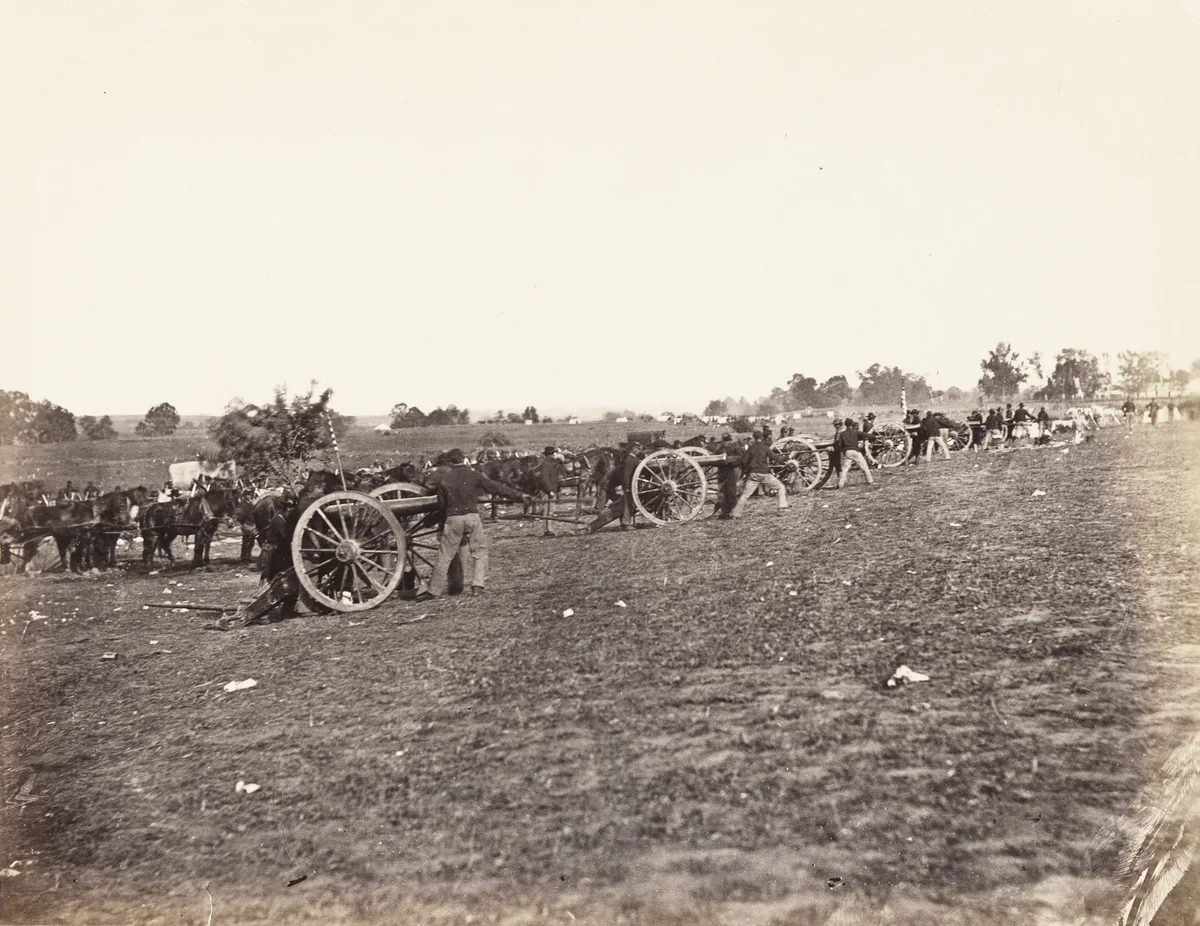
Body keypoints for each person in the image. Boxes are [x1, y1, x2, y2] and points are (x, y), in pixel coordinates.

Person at [416, 449, 528, 600]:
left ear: (450, 462)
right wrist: (519, 495)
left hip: (453, 519)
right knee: (480, 551)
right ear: (464, 459)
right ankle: (477, 586)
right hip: (472, 517)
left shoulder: (445, 478)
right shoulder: (474, 474)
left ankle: (433, 590)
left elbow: (441, 505)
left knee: (445, 556)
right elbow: (496, 487)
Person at [731, 433, 788, 517]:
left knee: (745, 494)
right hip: (764, 474)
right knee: (780, 487)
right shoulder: (765, 448)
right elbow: (776, 458)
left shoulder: (750, 448)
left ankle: (736, 514)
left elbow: (743, 461)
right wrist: (787, 458)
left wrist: (749, 468)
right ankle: (782, 508)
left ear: (754, 438)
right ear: (762, 439)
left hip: (753, 474)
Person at [708, 434, 742, 518]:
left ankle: (726, 512)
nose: (727, 443)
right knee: (729, 492)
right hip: (727, 472)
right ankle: (729, 512)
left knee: (725, 492)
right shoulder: (732, 449)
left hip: (724, 473)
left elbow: (714, 462)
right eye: (726, 441)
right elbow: (740, 460)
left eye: (727, 441)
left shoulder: (720, 450)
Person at [835, 417, 875, 489]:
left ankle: (840, 484)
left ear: (845, 425)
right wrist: (874, 436)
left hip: (847, 452)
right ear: (851, 424)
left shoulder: (842, 434)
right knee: (864, 467)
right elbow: (865, 435)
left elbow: (840, 445)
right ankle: (870, 481)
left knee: (845, 469)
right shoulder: (855, 432)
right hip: (856, 451)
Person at [536, 446, 561, 537]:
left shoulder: (548, 463)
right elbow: (544, 479)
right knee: (548, 511)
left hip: (549, 490)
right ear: (548, 455)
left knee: (550, 510)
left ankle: (548, 529)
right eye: (552, 454)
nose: (554, 455)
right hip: (548, 491)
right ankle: (548, 530)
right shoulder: (546, 464)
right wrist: (550, 490)